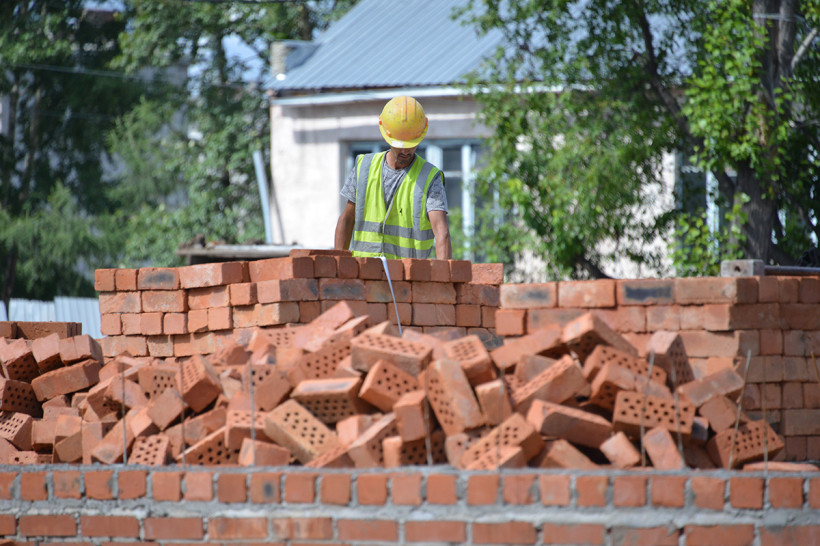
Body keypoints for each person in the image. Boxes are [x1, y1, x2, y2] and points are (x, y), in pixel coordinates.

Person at [334, 96, 452, 259]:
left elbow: (441, 232)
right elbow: (347, 219)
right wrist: (338, 265)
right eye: (400, 144)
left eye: (411, 143)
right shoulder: (364, 167)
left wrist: (444, 273)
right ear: (386, 135)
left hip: (409, 273)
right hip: (365, 270)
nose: (405, 151)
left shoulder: (430, 177)